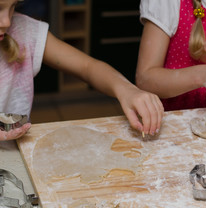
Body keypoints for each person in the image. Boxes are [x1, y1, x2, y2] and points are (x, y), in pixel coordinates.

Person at [0, 0, 164, 141]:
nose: (6, 21)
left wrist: (126, 89)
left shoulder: (23, 32)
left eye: (13, 6)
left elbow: (88, 67)